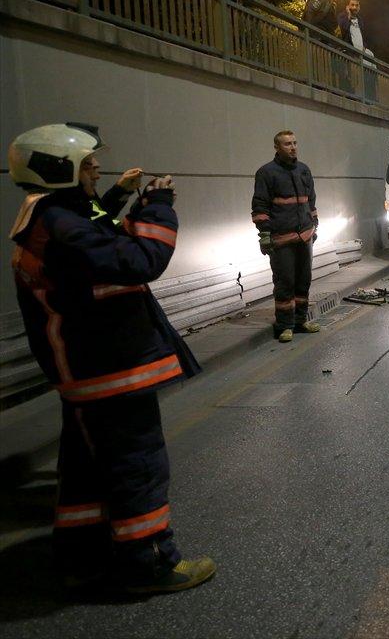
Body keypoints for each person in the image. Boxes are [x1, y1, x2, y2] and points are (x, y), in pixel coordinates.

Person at [7, 123, 215, 594]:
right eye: (86, 163)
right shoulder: (61, 225)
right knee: (137, 463)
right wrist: (158, 208)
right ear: (58, 169)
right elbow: (138, 262)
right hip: (109, 366)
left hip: (89, 366)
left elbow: (103, 236)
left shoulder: (54, 214)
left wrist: (131, 202)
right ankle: (149, 562)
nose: (97, 167)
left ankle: (81, 553)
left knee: (87, 467)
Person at [253, 131, 321, 342]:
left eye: (294, 143)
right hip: (282, 239)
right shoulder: (266, 173)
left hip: (304, 236)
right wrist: (265, 234)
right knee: (285, 283)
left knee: (303, 281)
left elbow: (311, 201)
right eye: (287, 144)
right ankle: (285, 326)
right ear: (277, 147)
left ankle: (300, 321)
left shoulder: (304, 170)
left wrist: (314, 225)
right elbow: (260, 206)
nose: (292, 147)